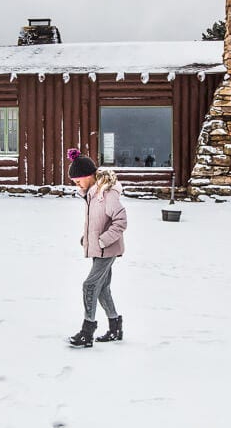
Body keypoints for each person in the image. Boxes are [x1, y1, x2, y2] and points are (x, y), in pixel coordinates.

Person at [66, 147, 127, 348]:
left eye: (78, 181)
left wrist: (101, 241)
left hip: (106, 249)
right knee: (102, 289)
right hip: (99, 247)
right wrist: (88, 238)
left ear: (89, 176)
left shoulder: (107, 194)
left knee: (90, 285)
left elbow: (120, 221)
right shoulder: (92, 194)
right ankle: (115, 326)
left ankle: (87, 331)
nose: (77, 185)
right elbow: (98, 221)